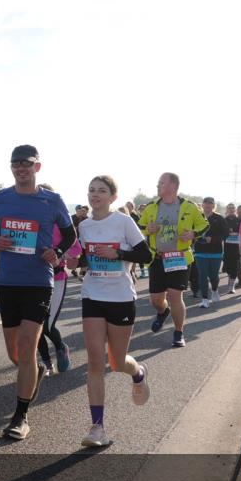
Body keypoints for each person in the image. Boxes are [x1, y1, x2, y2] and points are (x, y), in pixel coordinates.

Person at [0, 146, 76, 440]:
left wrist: (57, 251)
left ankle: (20, 416)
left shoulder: (52, 200)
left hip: (39, 281)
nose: (21, 168)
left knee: (27, 345)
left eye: (26, 163)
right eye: (16, 164)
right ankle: (34, 370)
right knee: (16, 354)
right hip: (7, 281)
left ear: (37, 167)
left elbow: (70, 234)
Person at [66, 175, 152, 447]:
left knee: (116, 362)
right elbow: (84, 258)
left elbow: (146, 255)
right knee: (94, 360)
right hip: (92, 294)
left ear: (113, 197)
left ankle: (138, 373)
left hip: (121, 297)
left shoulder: (123, 222)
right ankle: (97, 428)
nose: (95, 194)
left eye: (101, 191)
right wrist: (74, 261)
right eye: (91, 190)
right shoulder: (84, 226)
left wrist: (119, 254)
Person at [136, 173, 208, 348]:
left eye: (161, 183)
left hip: (179, 257)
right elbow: (139, 227)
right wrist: (148, 229)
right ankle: (163, 311)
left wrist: (193, 234)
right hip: (157, 258)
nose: (158, 185)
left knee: (175, 295)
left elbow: (204, 225)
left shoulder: (189, 206)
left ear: (172, 186)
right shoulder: (151, 206)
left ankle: (178, 332)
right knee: (155, 300)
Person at [36, 184, 82, 376]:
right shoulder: (29, 220)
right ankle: (47, 363)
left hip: (57, 278)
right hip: (33, 279)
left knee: (47, 325)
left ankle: (61, 347)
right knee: (34, 325)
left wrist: (60, 255)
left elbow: (76, 249)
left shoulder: (60, 223)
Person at [194, 197, 229, 308]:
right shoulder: (197, 217)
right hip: (200, 250)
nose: (208, 205)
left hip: (215, 251)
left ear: (214, 206)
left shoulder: (219, 218)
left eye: (210, 204)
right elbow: (191, 231)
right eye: (206, 203)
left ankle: (214, 290)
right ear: (202, 205)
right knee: (202, 275)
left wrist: (213, 239)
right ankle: (205, 299)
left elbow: (225, 234)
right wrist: (196, 238)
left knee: (213, 275)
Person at [222, 203, 241, 293]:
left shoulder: (239, 220)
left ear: (235, 210)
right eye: (229, 208)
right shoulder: (223, 220)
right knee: (228, 266)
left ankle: (232, 285)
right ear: (227, 209)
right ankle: (231, 279)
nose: (231, 209)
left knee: (234, 265)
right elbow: (221, 232)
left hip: (236, 246)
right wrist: (227, 233)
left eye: (233, 208)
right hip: (226, 246)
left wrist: (236, 233)